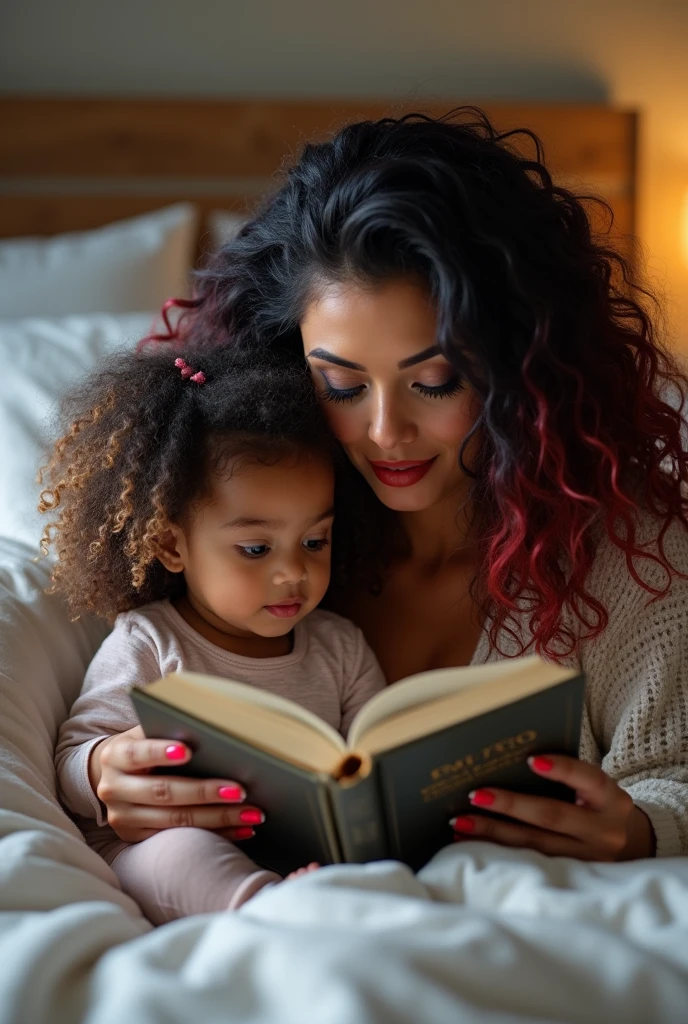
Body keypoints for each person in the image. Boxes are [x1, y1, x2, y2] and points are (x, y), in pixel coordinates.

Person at [78, 107, 688, 864]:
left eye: (434, 382)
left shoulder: (629, 555)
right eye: (340, 385)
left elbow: (675, 779)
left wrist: (639, 828)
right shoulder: (238, 523)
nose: (385, 432)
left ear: (519, 367)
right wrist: (107, 770)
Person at [44, 348, 385, 924]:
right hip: (173, 846)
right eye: (256, 549)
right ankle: (266, 910)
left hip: (305, 852)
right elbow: (75, 760)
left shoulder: (341, 647)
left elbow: (376, 752)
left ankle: (313, 897)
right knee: (179, 855)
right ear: (173, 547)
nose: (293, 573)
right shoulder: (150, 641)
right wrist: (105, 764)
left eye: (315, 541)